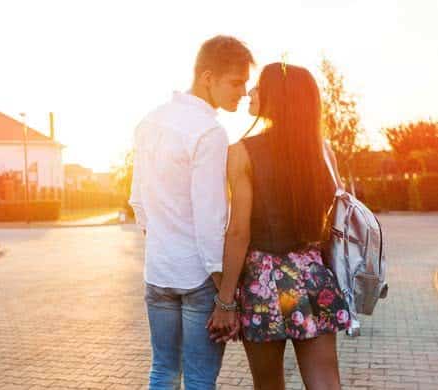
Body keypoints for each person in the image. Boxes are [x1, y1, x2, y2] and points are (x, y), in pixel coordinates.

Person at [208, 62, 349, 390]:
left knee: (268, 384)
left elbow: (239, 232)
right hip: (314, 276)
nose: (251, 93)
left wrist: (225, 300)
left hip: (263, 282)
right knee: (326, 382)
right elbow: (334, 221)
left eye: (259, 87)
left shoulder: (242, 151)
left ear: (277, 98)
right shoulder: (322, 151)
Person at [129, 35, 254, 389]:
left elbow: (138, 201)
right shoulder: (209, 132)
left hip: (158, 272)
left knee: (162, 372)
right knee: (199, 380)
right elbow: (211, 219)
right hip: (199, 278)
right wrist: (224, 296)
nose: (243, 92)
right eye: (236, 82)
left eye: (246, 83)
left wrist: (163, 247)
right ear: (208, 77)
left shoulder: (149, 122)